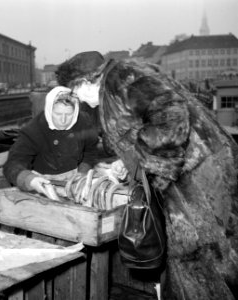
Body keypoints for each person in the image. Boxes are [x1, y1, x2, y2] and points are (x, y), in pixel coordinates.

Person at [55, 51, 238, 299]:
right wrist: (127, 160)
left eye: (76, 93)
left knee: (209, 254)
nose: (81, 101)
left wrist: (141, 159)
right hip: (187, 174)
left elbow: (171, 115)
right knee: (202, 255)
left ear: (85, 81)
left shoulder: (121, 78)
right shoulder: (115, 83)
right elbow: (142, 125)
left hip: (200, 174)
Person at [3, 86, 99, 199]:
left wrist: (83, 171)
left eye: (69, 115)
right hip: (42, 182)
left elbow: (90, 150)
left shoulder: (83, 122)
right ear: (49, 110)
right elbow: (13, 163)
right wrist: (29, 180)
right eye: (58, 114)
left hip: (74, 178)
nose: (63, 120)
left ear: (76, 111)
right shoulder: (34, 130)